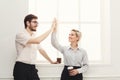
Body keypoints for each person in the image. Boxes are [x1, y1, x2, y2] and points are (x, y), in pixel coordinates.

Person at [13, 14, 57, 80]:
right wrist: (51, 29)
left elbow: (41, 50)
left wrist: (51, 61)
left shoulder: (34, 35)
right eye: (34, 22)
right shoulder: (20, 34)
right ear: (27, 23)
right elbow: (37, 41)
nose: (37, 24)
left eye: (37, 22)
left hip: (32, 68)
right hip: (21, 67)